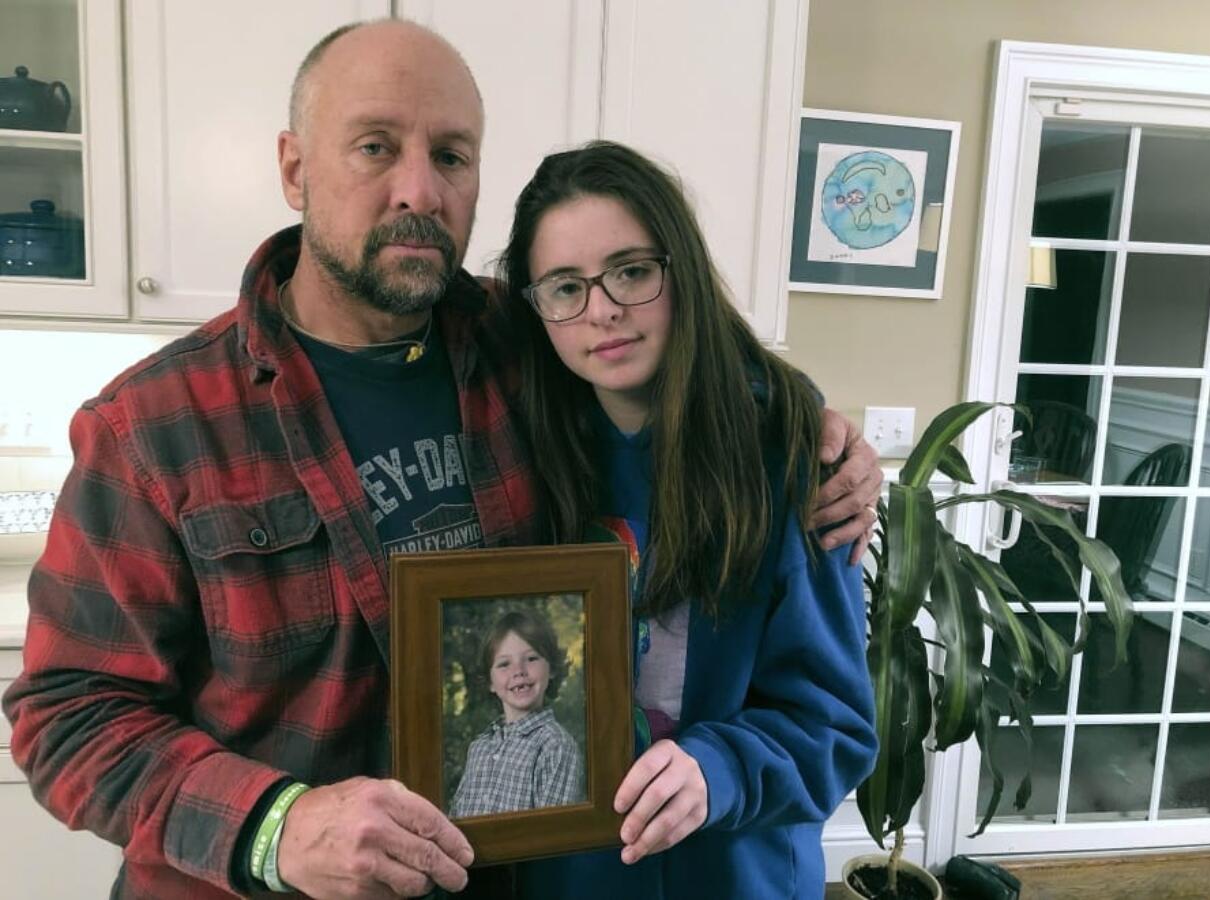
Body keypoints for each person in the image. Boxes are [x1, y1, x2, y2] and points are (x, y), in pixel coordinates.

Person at [1, 20, 881, 900]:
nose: (417, 189)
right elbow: (66, 717)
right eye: (375, 147)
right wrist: (279, 826)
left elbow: (688, 372)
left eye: (452, 156)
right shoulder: (153, 424)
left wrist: (816, 437)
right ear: (296, 168)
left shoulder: (525, 345)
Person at [498, 141, 879, 898]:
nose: (601, 310)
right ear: (536, 307)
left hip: (734, 875)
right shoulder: (513, 450)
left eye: (631, 272)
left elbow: (835, 727)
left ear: (682, 272)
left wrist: (720, 768)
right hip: (569, 877)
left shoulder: (792, 460)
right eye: (565, 287)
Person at [449, 608, 582, 819]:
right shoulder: (479, 748)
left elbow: (553, 835)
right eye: (504, 664)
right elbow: (456, 817)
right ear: (491, 682)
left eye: (531, 659)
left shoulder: (555, 746)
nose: (518, 670)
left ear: (553, 669)